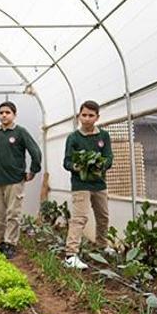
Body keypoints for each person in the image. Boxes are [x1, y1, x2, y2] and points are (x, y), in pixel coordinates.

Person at [0, 101, 42, 258]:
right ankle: (1, 241)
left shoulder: (20, 132)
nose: (4, 115)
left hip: (15, 180)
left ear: (14, 115)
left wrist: (33, 171)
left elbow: (35, 151)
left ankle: (10, 243)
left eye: (7, 112)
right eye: (1, 112)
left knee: (13, 213)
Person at [62, 100, 114, 270]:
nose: (87, 118)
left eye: (91, 115)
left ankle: (101, 246)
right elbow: (67, 162)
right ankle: (71, 255)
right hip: (80, 184)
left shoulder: (104, 136)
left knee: (103, 216)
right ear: (79, 116)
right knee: (79, 218)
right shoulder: (73, 138)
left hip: (99, 184)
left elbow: (109, 158)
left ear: (97, 117)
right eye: (84, 115)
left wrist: (100, 165)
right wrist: (77, 166)